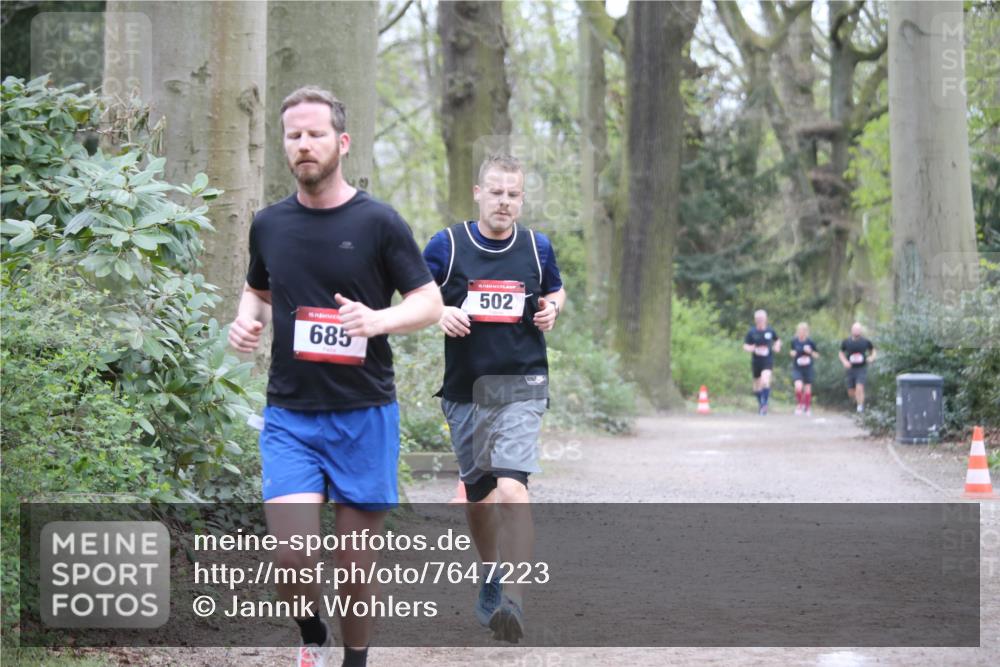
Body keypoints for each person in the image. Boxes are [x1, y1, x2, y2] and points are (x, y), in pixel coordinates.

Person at [227, 86, 442, 667]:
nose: (304, 145)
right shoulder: (269, 224)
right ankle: (311, 634)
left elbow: (428, 302)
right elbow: (257, 291)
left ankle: (354, 661)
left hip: (364, 414)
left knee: (354, 571)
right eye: (294, 136)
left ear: (341, 143)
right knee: (293, 558)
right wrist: (246, 322)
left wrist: (378, 320)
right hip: (290, 415)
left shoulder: (378, 222)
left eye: (315, 134)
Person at [422, 154, 566, 643]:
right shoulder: (448, 245)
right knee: (480, 498)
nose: (505, 201)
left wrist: (551, 310)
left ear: (521, 199)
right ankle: (491, 573)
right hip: (465, 391)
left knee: (513, 489)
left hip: (522, 384)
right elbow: (416, 297)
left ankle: (515, 601)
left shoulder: (536, 246)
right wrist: (440, 312)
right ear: (478, 192)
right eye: (496, 191)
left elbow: (556, 292)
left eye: (513, 194)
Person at [743, 310, 781, 415]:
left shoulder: (770, 331)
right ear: (755, 320)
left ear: (765, 319)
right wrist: (750, 348)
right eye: (758, 319)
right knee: (756, 386)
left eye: (762, 319)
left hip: (767, 360)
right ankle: (761, 404)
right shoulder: (752, 332)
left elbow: (777, 340)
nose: (760, 321)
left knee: (765, 380)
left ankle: (764, 404)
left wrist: (777, 346)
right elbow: (745, 345)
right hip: (756, 361)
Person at [839, 322, 876, 413]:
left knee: (860, 387)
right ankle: (856, 402)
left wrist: (871, 357)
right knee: (851, 391)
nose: (856, 331)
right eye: (855, 329)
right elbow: (841, 353)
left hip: (861, 368)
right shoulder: (846, 342)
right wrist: (845, 362)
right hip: (850, 369)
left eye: (858, 329)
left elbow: (873, 350)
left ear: (860, 331)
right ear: (852, 330)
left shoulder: (865, 342)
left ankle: (860, 407)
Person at [789, 322, 819, 416]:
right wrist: (792, 353)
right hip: (797, 367)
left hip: (808, 368)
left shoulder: (810, 342)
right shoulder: (794, 341)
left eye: (803, 331)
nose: (801, 333)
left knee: (807, 388)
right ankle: (799, 404)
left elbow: (817, 355)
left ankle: (807, 407)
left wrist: (810, 352)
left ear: (806, 332)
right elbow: (792, 351)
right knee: (798, 386)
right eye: (799, 331)